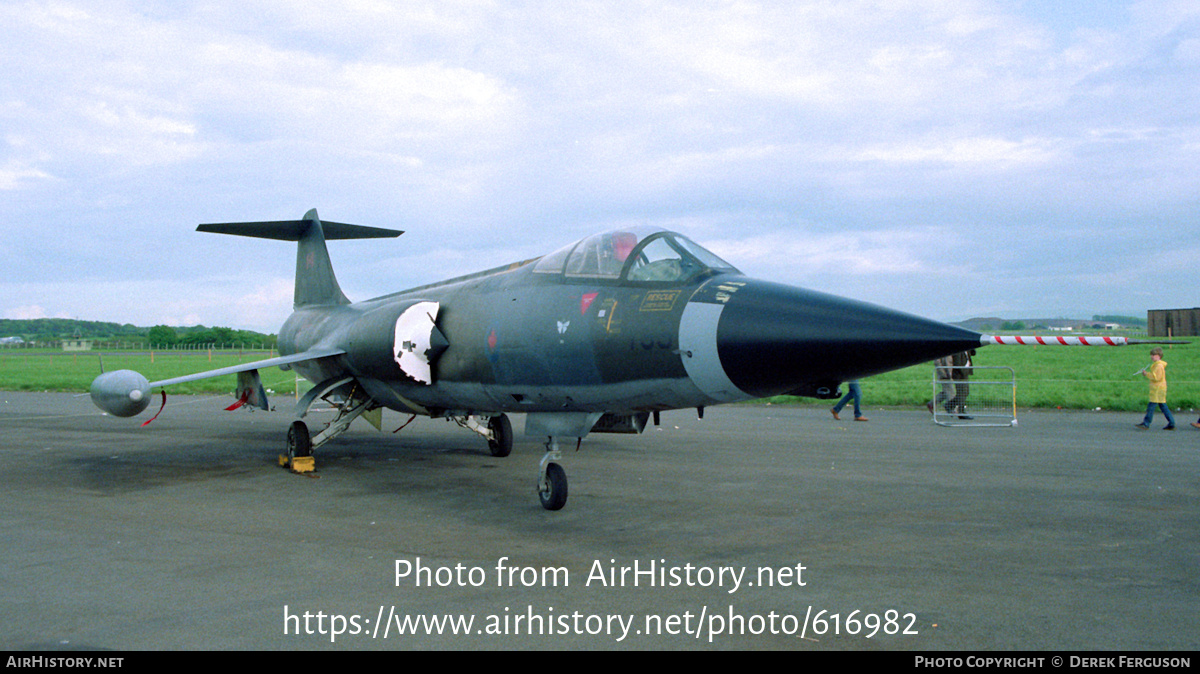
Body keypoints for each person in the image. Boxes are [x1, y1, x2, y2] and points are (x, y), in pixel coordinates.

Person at [1135, 347, 1175, 430]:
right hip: (1159, 388)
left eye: (1154, 355)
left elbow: (1156, 377)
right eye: (1151, 355)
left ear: (1159, 356)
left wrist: (1147, 374)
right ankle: (1171, 423)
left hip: (1158, 389)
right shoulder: (1157, 365)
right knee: (1163, 406)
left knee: (1151, 406)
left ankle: (1146, 423)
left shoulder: (1159, 366)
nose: (1152, 356)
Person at [949, 349, 975, 419]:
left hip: (965, 373)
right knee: (961, 393)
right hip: (959, 374)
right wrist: (963, 372)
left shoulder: (967, 350)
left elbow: (973, 353)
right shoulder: (958, 351)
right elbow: (957, 364)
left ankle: (949, 405)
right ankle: (961, 412)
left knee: (966, 392)